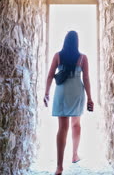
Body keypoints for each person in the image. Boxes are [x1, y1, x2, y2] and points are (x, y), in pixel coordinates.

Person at [43, 30, 94, 175]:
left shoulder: (58, 56)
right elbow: (86, 79)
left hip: (62, 92)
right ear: (77, 42)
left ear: (65, 41)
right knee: (76, 124)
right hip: (76, 91)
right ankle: (74, 155)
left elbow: (50, 76)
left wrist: (46, 93)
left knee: (62, 128)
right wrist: (90, 98)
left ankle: (59, 166)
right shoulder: (83, 58)